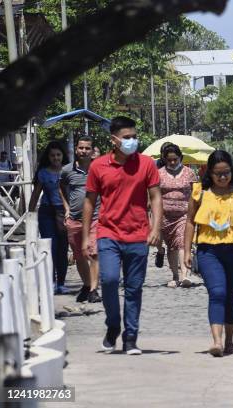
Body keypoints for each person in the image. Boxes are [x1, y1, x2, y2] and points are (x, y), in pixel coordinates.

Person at [82, 116, 162, 355]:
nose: (132, 141)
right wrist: (86, 236)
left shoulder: (147, 164)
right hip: (108, 233)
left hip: (138, 235)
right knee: (108, 280)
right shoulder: (98, 166)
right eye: (127, 138)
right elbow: (89, 202)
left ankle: (130, 338)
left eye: (134, 137)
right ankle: (113, 325)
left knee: (134, 288)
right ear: (114, 140)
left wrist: (156, 228)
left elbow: (156, 197)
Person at [184, 150, 233, 357]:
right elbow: (189, 222)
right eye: (218, 174)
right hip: (209, 251)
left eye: (226, 173)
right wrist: (186, 251)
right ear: (210, 173)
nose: (223, 177)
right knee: (217, 293)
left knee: (231, 295)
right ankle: (217, 341)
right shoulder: (200, 192)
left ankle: (230, 341)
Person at [59, 136, 102, 303]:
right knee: (79, 256)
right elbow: (61, 187)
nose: (84, 151)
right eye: (81, 148)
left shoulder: (98, 170)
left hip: (95, 218)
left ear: (92, 151)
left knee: (94, 252)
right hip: (75, 220)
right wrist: (67, 208)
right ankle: (86, 284)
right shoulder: (67, 170)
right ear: (76, 149)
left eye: (87, 148)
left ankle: (93, 289)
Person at [29, 141, 69, 294]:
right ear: (48, 157)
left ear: (62, 156)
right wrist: (30, 217)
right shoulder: (43, 173)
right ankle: (50, 281)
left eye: (58, 155)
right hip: (46, 212)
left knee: (62, 248)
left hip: (64, 212)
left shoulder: (68, 171)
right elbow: (35, 195)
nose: (56, 158)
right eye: (52, 155)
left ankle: (61, 283)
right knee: (49, 248)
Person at [158, 144, 197, 288]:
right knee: (171, 246)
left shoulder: (189, 173)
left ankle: (185, 275)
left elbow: (196, 193)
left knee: (182, 242)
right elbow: (154, 194)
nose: (172, 163)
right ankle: (175, 275)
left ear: (180, 158)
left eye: (175, 159)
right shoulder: (159, 173)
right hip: (165, 216)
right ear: (165, 159)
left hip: (184, 215)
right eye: (169, 160)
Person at [153, 141, 173, 268]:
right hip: (157, 201)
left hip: (173, 204)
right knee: (157, 232)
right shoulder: (156, 165)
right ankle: (160, 250)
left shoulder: (176, 164)